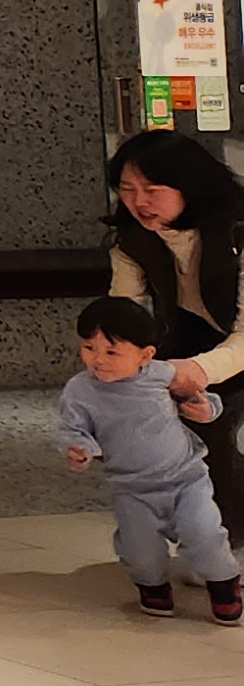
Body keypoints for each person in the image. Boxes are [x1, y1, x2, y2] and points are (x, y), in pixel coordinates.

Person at [103, 129, 244, 545]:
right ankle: (213, 536)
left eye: (152, 189)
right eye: (127, 188)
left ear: (190, 187)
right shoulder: (134, 241)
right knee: (186, 423)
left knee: (221, 422)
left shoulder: (237, 232)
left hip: (227, 347)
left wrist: (197, 370)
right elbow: (124, 315)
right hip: (199, 342)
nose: (138, 201)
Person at [59, 297, 239, 622]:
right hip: (131, 487)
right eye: (89, 348)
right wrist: (79, 449)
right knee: (139, 547)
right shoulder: (80, 391)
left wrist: (204, 409)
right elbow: (74, 429)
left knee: (204, 533)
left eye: (112, 352)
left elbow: (202, 399)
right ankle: (153, 586)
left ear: (145, 355)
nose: (98, 359)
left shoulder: (163, 375)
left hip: (186, 479)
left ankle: (224, 584)